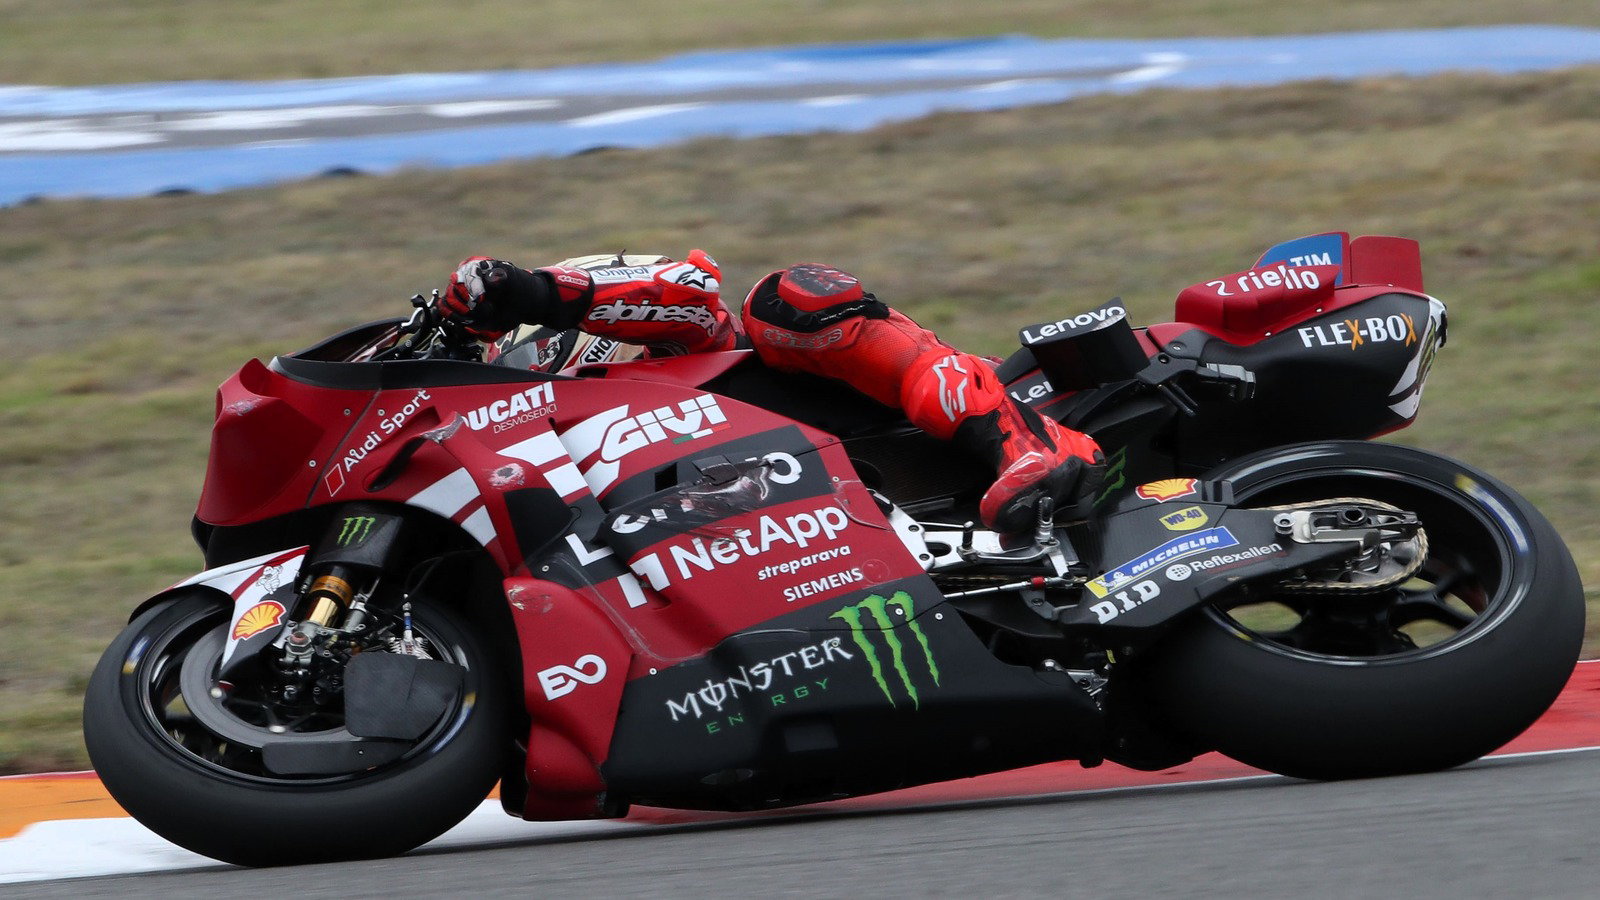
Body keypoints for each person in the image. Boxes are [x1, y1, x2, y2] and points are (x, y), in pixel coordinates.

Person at [440, 250, 1103, 532]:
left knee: (787, 299)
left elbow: (692, 295)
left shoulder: (676, 348)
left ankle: (1024, 440)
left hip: (931, 419)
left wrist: (537, 294)